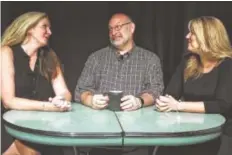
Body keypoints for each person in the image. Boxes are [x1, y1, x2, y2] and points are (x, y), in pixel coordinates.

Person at [74, 13, 164, 155]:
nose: (114, 32)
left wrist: (139, 101)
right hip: (100, 141)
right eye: (110, 29)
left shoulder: (150, 59)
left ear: (132, 27)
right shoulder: (96, 58)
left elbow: (156, 90)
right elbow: (81, 90)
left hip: (136, 141)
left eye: (118, 27)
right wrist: (90, 100)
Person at [155, 16, 232, 155]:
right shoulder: (187, 61)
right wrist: (165, 102)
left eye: (192, 33)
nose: (187, 36)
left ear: (208, 37)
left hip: (221, 133)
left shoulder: (227, 65)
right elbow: (171, 94)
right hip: (189, 127)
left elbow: (223, 105)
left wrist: (179, 106)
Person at [1, 12, 72, 155]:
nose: (49, 32)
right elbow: (8, 101)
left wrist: (61, 101)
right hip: (10, 126)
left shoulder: (49, 56)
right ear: (29, 29)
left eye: (49, 28)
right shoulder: (6, 52)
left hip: (42, 125)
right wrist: (48, 107)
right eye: (44, 27)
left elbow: (65, 92)